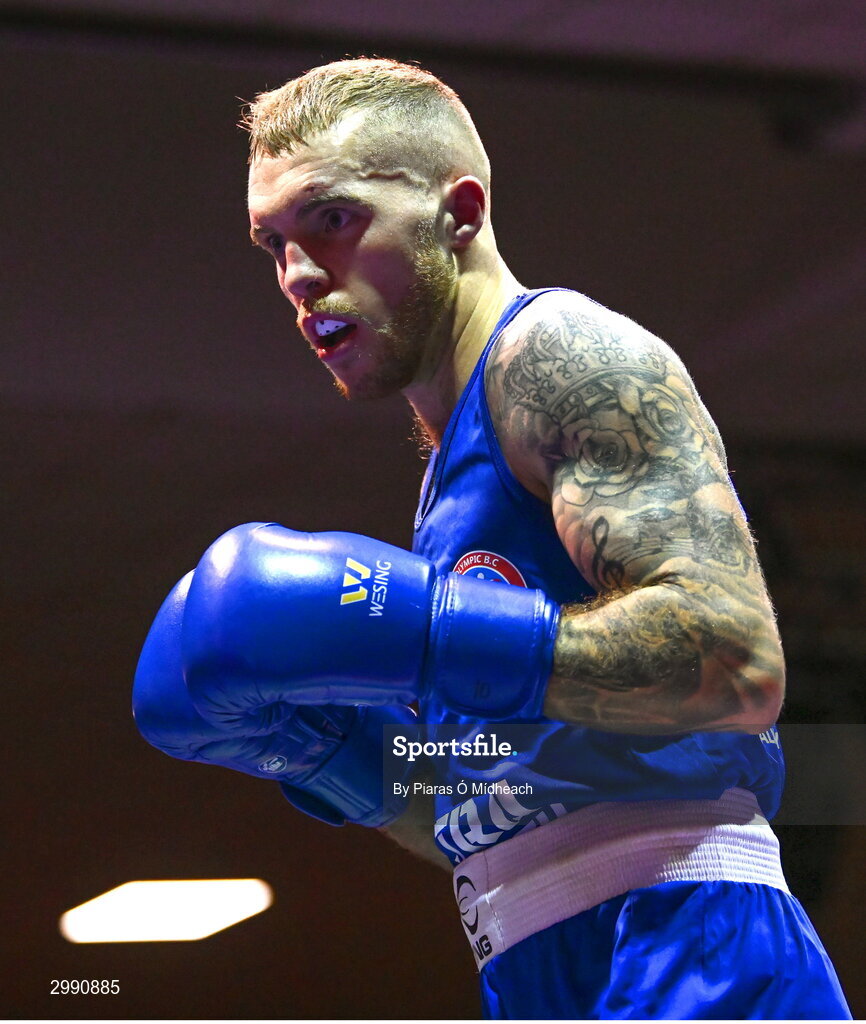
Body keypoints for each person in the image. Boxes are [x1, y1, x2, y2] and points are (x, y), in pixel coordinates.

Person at [132, 58, 852, 1019]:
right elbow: (494, 801)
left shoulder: (561, 357)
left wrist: (431, 632)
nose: (299, 276)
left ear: (457, 213)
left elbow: (732, 660)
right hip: (537, 963)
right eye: (273, 244)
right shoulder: (452, 480)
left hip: (688, 940)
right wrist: (334, 757)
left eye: (333, 221)